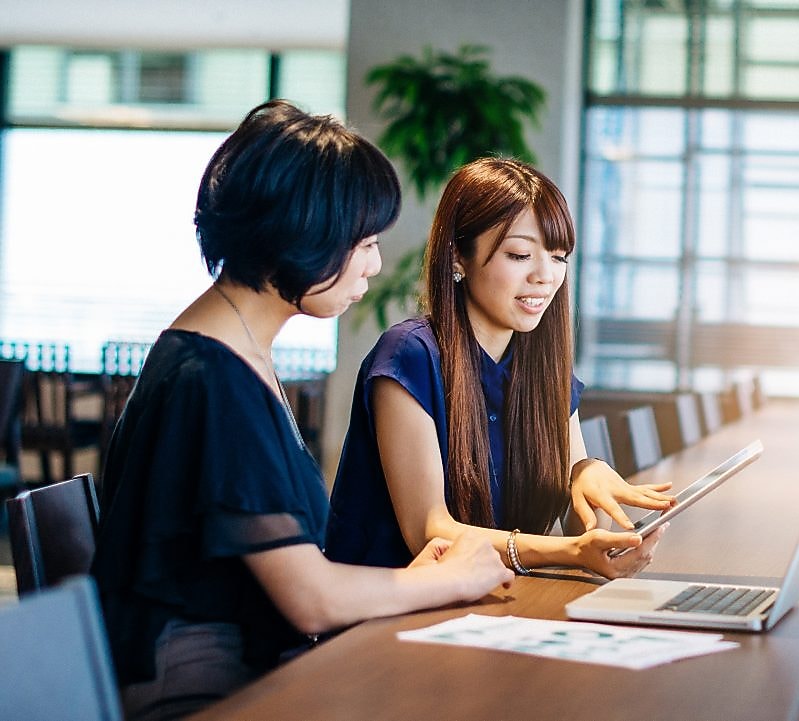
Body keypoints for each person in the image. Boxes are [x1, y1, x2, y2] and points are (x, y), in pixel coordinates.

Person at [90, 101, 513, 721]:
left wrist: (422, 576)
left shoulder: (224, 350)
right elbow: (310, 600)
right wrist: (453, 579)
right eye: (364, 242)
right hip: (209, 694)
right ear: (304, 233)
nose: (373, 263)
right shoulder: (213, 378)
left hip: (249, 670)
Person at [326, 157, 674, 579]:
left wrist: (588, 476)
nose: (545, 276)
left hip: (491, 606)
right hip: (385, 620)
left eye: (559, 256)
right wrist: (572, 551)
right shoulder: (409, 355)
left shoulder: (543, 369)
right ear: (458, 255)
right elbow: (429, 534)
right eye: (520, 254)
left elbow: (582, 534)